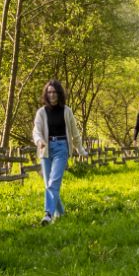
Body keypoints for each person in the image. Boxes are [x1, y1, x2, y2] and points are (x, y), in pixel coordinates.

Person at [32, 79, 86, 225]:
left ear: (59, 93)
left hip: (62, 148)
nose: (52, 95)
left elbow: (74, 133)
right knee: (48, 184)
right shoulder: (41, 112)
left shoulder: (67, 111)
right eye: (49, 92)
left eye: (54, 92)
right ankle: (60, 213)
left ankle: (48, 215)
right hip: (45, 149)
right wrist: (39, 141)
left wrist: (80, 149)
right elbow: (36, 131)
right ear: (46, 94)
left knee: (53, 182)